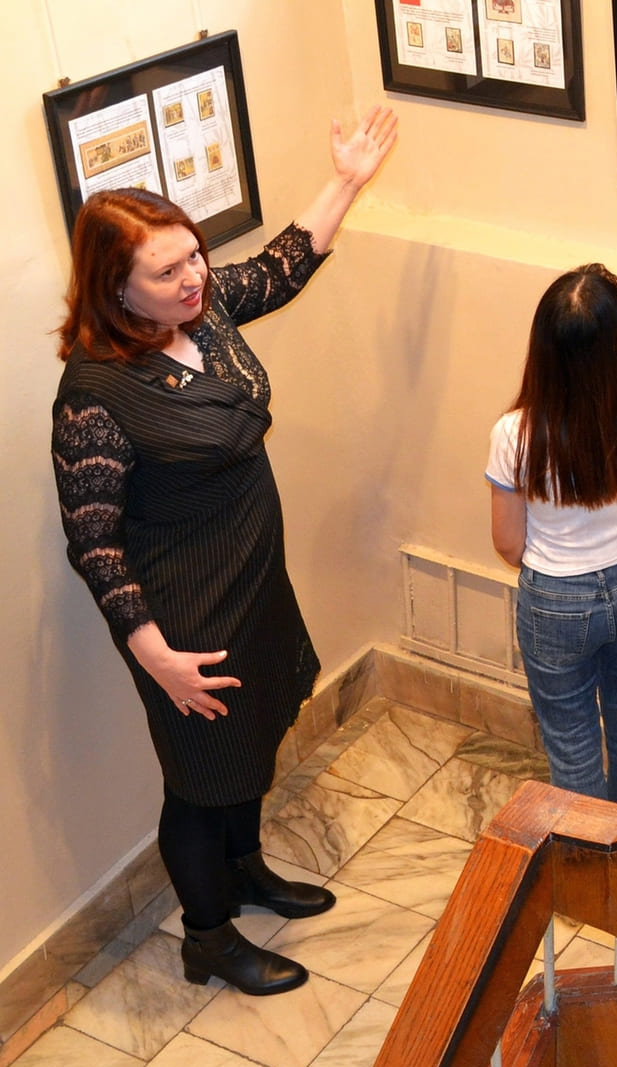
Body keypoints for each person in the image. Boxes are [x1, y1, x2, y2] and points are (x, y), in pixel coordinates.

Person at [50, 107, 398, 995]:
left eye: (195, 257)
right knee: (200, 783)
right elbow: (94, 543)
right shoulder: (95, 394)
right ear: (116, 289)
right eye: (167, 271)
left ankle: (245, 871)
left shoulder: (203, 317)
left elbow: (280, 266)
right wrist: (155, 657)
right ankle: (207, 938)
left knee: (255, 731)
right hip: (183, 616)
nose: (194, 277)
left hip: (251, 579)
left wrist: (346, 181)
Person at [487, 264, 617, 810]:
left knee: (573, 747)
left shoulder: (514, 433)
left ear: (543, 344)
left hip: (554, 599)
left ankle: (592, 855)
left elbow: (507, 544)